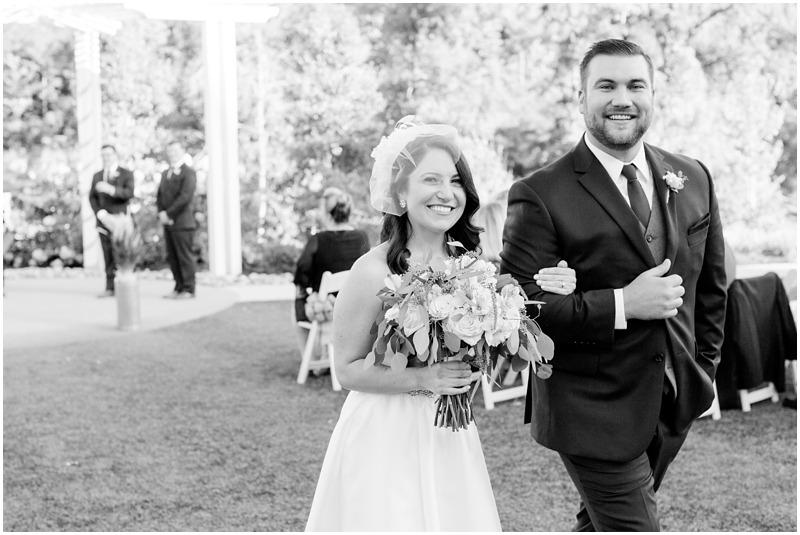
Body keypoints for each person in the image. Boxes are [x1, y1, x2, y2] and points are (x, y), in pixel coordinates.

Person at [305, 117, 575, 531]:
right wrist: (427, 377)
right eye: (430, 179)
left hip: (449, 432)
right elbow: (346, 370)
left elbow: (521, 301)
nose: (446, 193)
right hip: (385, 435)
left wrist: (555, 286)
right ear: (401, 192)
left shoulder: (470, 265)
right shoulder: (371, 270)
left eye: (455, 181)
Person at [501, 39, 728, 531]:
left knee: (600, 524)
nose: (621, 99)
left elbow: (713, 288)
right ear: (581, 97)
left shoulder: (693, 176)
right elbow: (523, 312)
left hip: (675, 398)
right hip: (590, 408)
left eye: (635, 85)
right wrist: (625, 303)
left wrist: (704, 367)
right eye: (606, 86)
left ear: (652, 95)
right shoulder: (539, 193)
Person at [293, 187, 370, 356]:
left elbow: (302, 271)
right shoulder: (361, 238)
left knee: (298, 305)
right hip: (355, 307)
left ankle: (312, 360)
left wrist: (307, 289)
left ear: (327, 213)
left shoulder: (318, 240)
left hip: (326, 308)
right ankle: (329, 354)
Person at [88, 144, 135, 297]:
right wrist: (100, 213)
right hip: (103, 221)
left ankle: (124, 285)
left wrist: (111, 190)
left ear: (115, 155)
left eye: (108, 154)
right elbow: (92, 197)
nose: (106, 158)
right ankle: (110, 287)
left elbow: (129, 193)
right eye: (103, 155)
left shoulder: (126, 173)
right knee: (107, 255)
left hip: (121, 222)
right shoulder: (97, 175)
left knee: (121, 254)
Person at [156, 141, 197, 300]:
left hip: (183, 223)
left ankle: (188, 288)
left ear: (182, 151)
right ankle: (178, 286)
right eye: (170, 150)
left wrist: (169, 214)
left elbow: (185, 197)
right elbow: (160, 195)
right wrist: (161, 213)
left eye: (175, 150)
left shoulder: (188, 172)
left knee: (184, 257)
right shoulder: (165, 173)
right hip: (167, 223)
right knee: (173, 257)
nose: (172, 153)